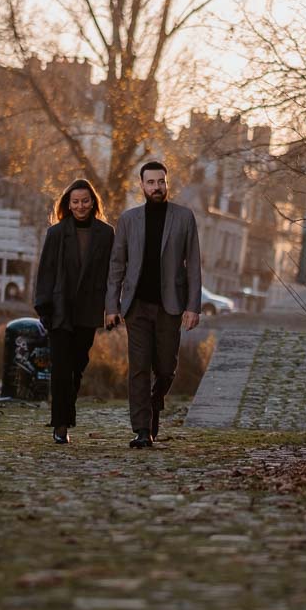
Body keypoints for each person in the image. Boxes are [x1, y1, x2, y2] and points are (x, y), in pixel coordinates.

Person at [106, 161, 201, 449]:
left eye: (161, 182)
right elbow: (116, 265)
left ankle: (155, 399)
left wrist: (193, 306)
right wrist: (112, 305)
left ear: (166, 183)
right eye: (151, 182)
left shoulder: (184, 218)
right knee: (138, 368)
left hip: (170, 306)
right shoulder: (128, 219)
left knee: (166, 367)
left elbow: (194, 264)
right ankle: (142, 431)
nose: (156, 187)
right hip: (136, 306)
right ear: (142, 185)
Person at [33, 179, 114, 444]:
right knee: (60, 369)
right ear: (68, 204)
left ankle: (66, 414)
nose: (80, 206)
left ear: (93, 203)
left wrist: (112, 307)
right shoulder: (56, 233)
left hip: (89, 310)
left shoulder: (106, 233)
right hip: (60, 309)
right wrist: (43, 308)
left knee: (77, 368)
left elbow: (112, 274)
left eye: (85, 201)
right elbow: (45, 271)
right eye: (75, 201)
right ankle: (60, 424)